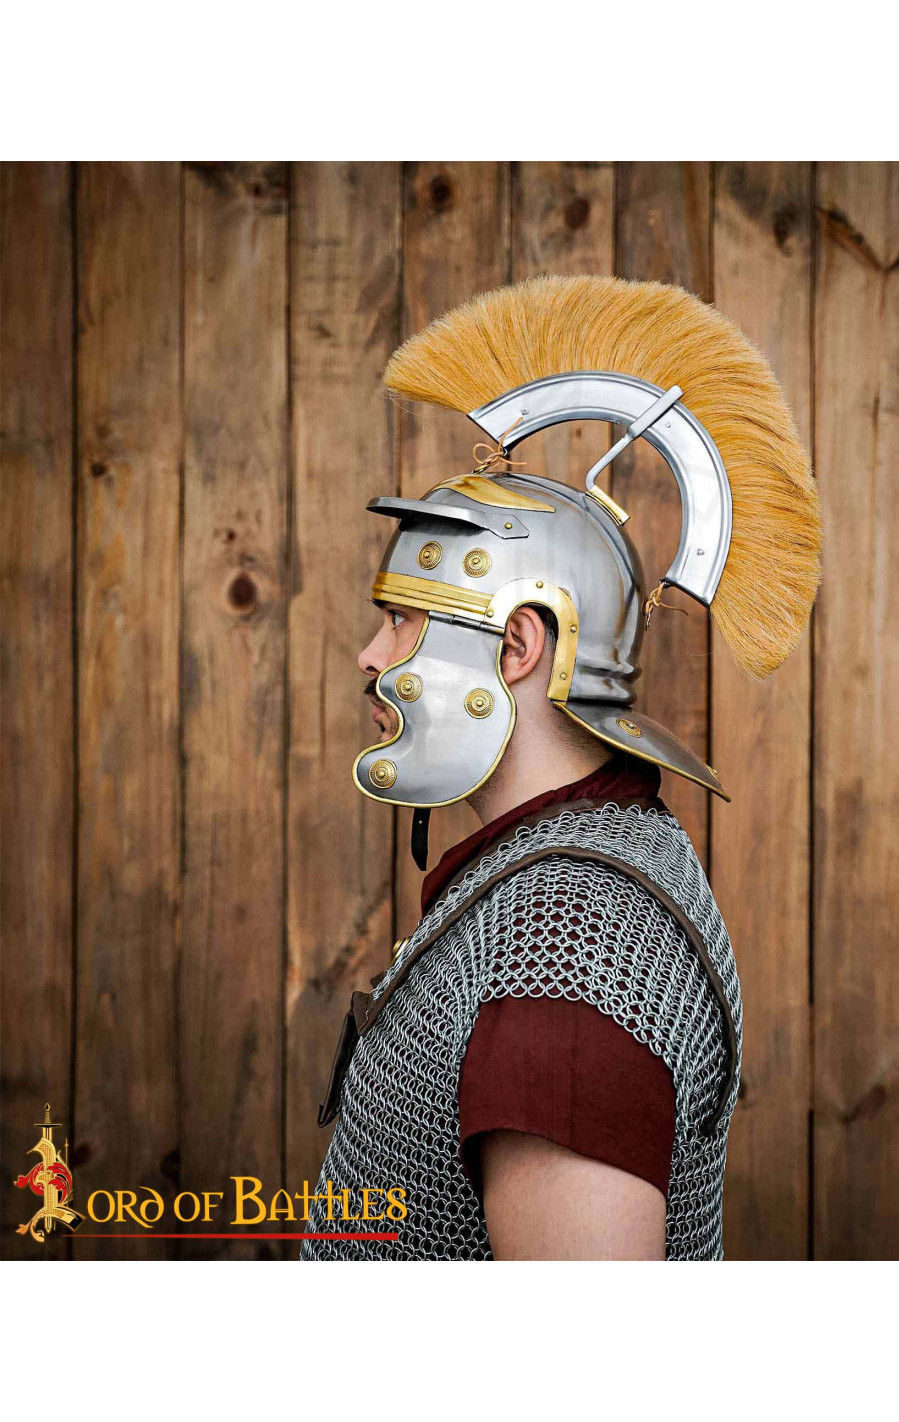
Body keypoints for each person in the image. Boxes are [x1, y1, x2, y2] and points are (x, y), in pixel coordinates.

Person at [301, 274, 821, 1261]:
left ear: (517, 646)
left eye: (402, 621)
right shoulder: (578, 866)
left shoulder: (565, 965)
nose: (370, 656)